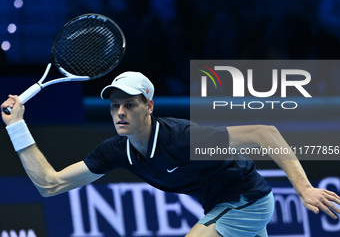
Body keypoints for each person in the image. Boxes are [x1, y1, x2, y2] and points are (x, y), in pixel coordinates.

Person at [1, 71, 340, 237]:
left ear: (148, 106)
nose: (120, 112)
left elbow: (265, 133)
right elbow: (51, 184)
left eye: (130, 105)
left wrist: (303, 188)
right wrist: (17, 127)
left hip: (246, 200)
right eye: (115, 105)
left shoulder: (183, 138)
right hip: (219, 205)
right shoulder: (116, 151)